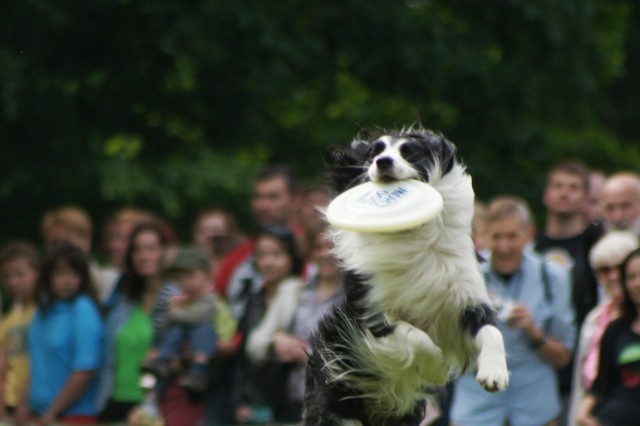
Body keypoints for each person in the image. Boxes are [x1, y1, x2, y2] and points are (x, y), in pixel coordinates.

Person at [451, 196, 576, 426]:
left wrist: (533, 331)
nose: (504, 246)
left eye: (512, 236)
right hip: (476, 405)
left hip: (535, 405)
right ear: (485, 235)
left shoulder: (552, 276)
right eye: (496, 236)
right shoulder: (468, 275)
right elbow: (447, 348)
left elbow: (564, 357)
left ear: (529, 233)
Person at [96, 220, 180, 423]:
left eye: (151, 249)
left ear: (165, 252)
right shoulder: (123, 298)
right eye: (138, 250)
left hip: (157, 403)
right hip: (114, 398)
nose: (144, 256)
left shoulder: (177, 298)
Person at [17, 241, 104, 425]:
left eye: (75, 274)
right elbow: (37, 363)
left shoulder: (83, 309)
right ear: (48, 275)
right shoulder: (44, 310)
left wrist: (52, 412)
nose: (68, 281)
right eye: (61, 273)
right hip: (37, 415)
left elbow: (85, 370)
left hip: (70, 417)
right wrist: (22, 405)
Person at [232, 225, 304, 425]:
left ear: (291, 256)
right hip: (255, 403)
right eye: (262, 255)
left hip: (291, 402)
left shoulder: (302, 295)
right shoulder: (254, 298)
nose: (269, 262)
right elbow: (243, 356)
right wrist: (239, 402)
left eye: (277, 254)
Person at [270, 227, 344, 422]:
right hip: (297, 396)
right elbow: (261, 338)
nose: (325, 253)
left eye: (332, 246)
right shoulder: (299, 290)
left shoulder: (355, 297)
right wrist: (278, 338)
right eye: (318, 247)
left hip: (339, 402)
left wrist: (306, 353)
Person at [567, 231, 639, 426]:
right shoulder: (598, 320)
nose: (614, 276)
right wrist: (580, 417)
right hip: (604, 416)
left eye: (620, 268)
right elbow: (591, 384)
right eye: (605, 270)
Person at [214, 164, 302, 302]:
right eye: (257, 197)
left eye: (273, 197)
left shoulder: (311, 248)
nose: (262, 205)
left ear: (296, 200)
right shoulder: (240, 256)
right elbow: (218, 301)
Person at [143, 246, 219, 395]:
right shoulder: (180, 300)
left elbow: (198, 318)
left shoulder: (210, 299)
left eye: (191, 276)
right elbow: (165, 327)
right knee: (176, 329)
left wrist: (173, 312)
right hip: (180, 357)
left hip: (208, 357)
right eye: (180, 278)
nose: (185, 282)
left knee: (202, 329)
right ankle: (162, 361)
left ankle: (198, 371)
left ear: (207, 276)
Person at [0, 242, 39, 421]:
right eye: (6, 276)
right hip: (8, 402)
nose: (13, 282)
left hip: (35, 403)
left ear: (37, 273)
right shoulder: (7, 321)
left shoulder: (42, 314)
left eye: (19, 274)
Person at [191, 207, 245, 283]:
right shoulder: (184, 270)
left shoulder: (241, 268)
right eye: (203, 231)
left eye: (216, 231)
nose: (209, 235)